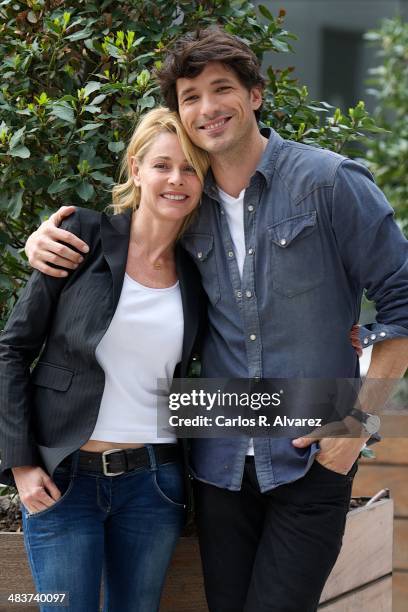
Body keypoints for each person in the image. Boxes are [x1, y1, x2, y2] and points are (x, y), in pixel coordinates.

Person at [23, 28, 408, 612]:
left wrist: (354, 424)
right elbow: (127, 242)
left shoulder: (329, 183)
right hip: (217, 462)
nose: (207, 108)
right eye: (190, 96)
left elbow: (403, 300)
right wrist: (44, 239)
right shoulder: (187, 201)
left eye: (221, 88)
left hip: (310, 453)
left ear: (255, 95)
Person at [0, 107, 209, 612]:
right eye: (162, 165)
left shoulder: (202, 271)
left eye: (190, 169)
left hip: (154, 484)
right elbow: (12, 349)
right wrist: (21, 465)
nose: (176, 180)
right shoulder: (81, 235)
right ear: (136, 169)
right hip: (63, 479)